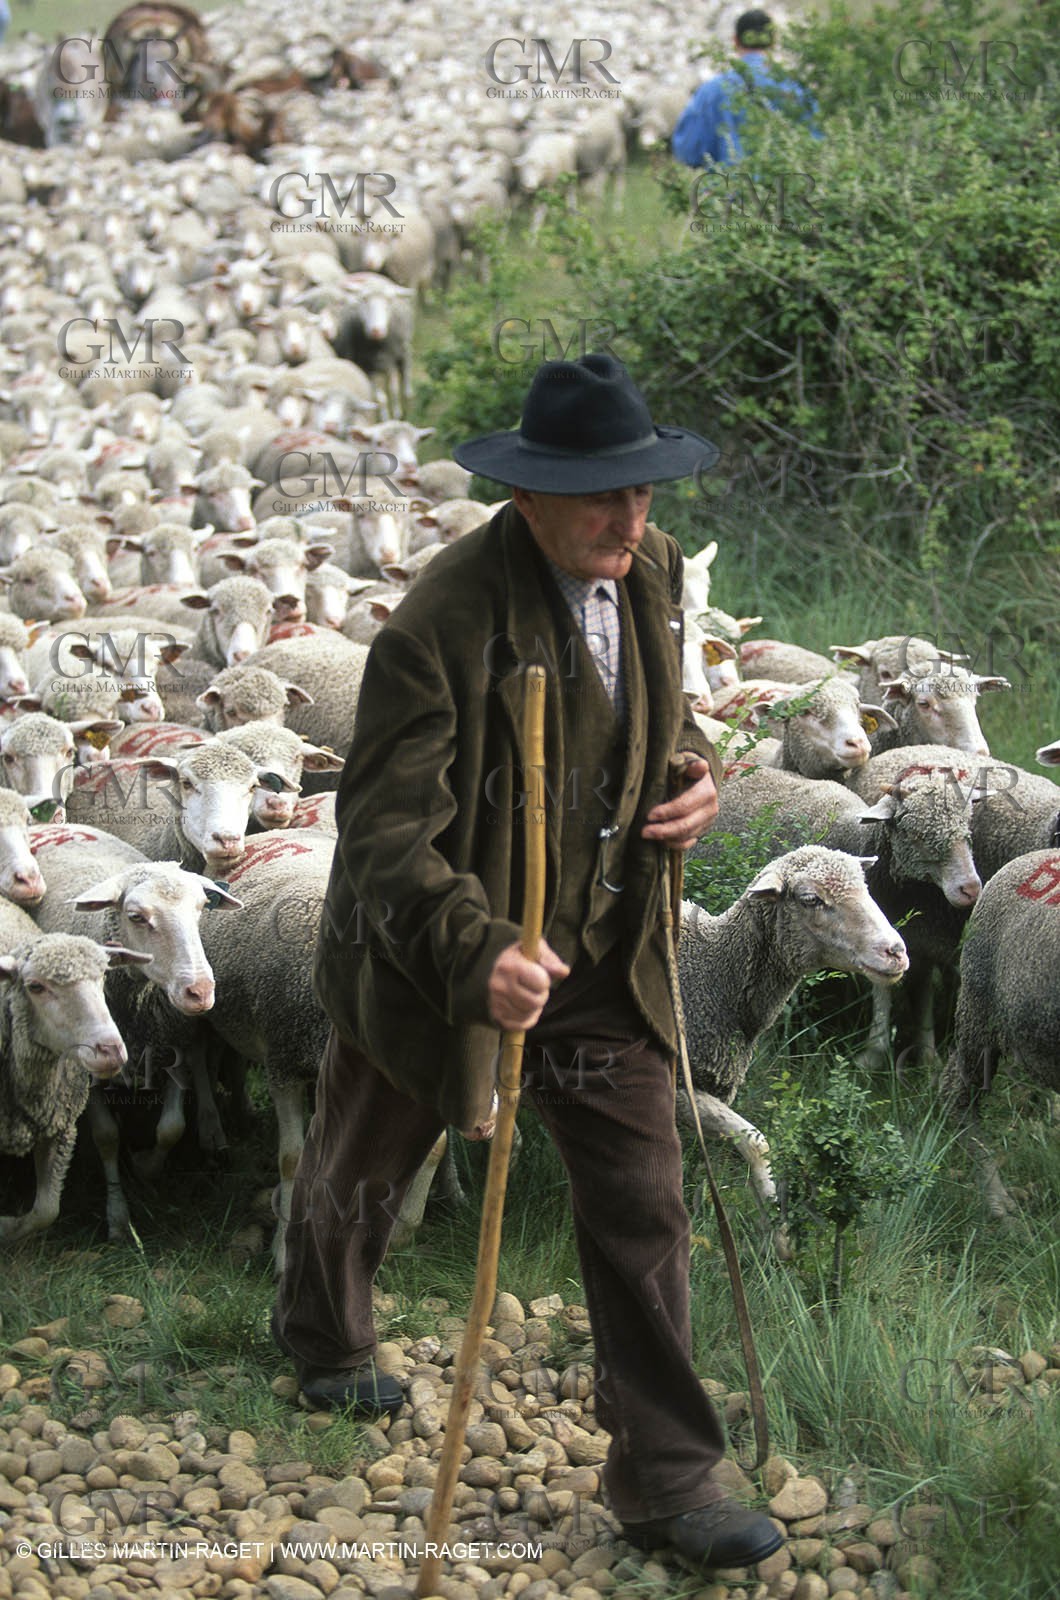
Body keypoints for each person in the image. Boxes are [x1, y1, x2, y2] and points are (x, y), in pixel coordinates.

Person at [272, 354, 784, 1571]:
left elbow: (664, 715)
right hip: (435, 956)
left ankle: (667, 1475)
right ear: (532, 495)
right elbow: (387, 831)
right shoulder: (438, 623)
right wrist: (476, 949)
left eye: (645, 491)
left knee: (641, 1196)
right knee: (367, 1157)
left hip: (603, 953)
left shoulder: (647, 570)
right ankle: (322, 1332)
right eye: (604, 496)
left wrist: (692, 778)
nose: (632, 518)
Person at [672, 8, 820, 169]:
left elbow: (688, 151)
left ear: (735, 41)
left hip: (728, 188)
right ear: (773, 41)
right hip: (787, 188)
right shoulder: (795, 89)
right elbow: (816, 145)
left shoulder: (711, 91)